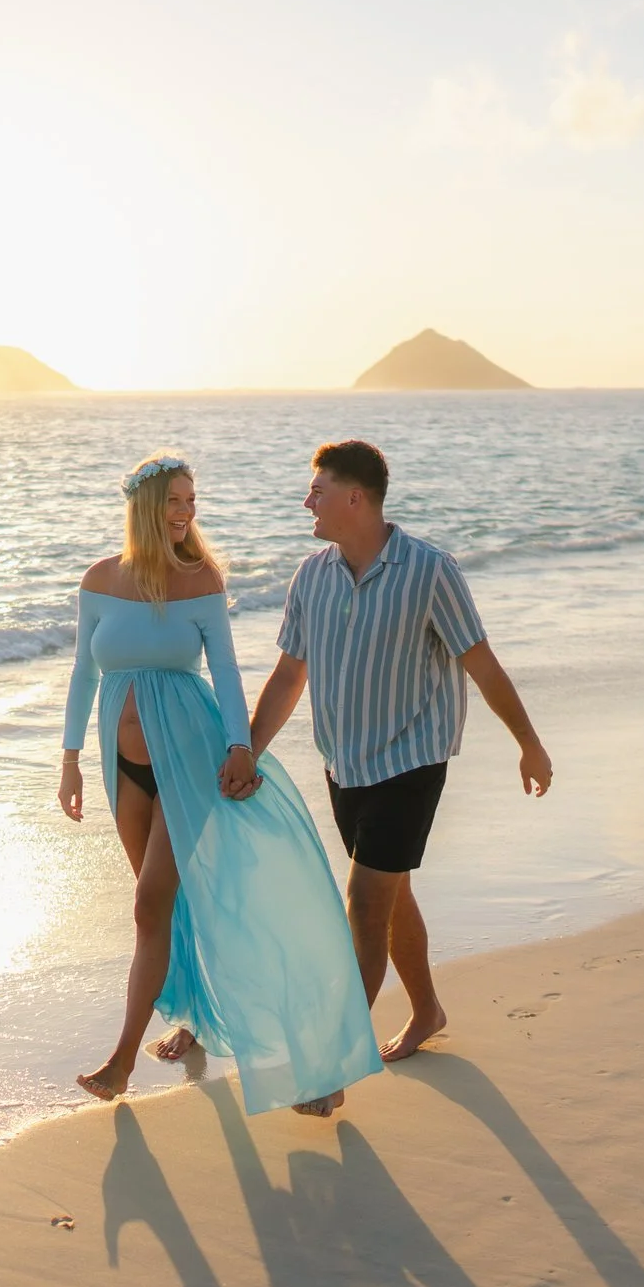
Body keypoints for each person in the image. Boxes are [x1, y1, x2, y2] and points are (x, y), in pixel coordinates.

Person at [58, 452, 383, 1117]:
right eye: (175, 501)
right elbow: (83, 677)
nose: (185, 513)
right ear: (146, 507)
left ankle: (123, 1061)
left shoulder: (199, 578)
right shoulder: (99, 580)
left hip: (191, 758)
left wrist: (241, 746)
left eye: (191, 502)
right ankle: (196, 1020)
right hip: (121, 767)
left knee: (151, 905)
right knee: (170, 910)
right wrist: (68, 760)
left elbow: (228, 672)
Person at [240, 439, 553, 1062]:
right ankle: (427, 1010)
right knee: (390, 897)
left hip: (412, 762)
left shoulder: (431, 570)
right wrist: (247, 751)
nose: (308, 502)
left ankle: (333, 1061)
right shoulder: (311, 576)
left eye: (318, 491)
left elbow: (482, 665)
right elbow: (287, 676)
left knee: (362, 903)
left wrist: (529, 743)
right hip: (344, 765)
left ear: (355, 498)